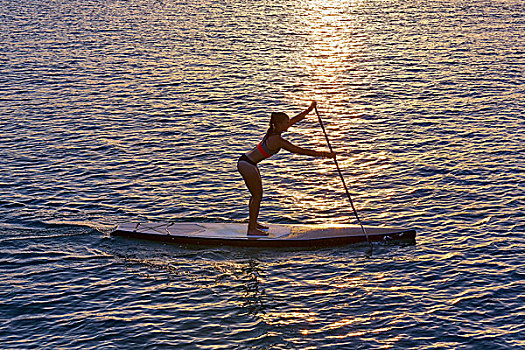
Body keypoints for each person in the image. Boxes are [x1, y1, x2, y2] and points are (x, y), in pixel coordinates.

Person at [237, 101, 336, 236]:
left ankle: (253, 224)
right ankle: (252, 229)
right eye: (285, 122)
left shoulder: (274, 130)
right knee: (257, 195)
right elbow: (299, 150)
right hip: (246, 164)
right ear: (278, 125)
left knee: (257, 195)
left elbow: (295, 119)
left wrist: (309, 110)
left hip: (248, 163)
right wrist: (324, 155)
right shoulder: (276, 139)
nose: (288, 124)